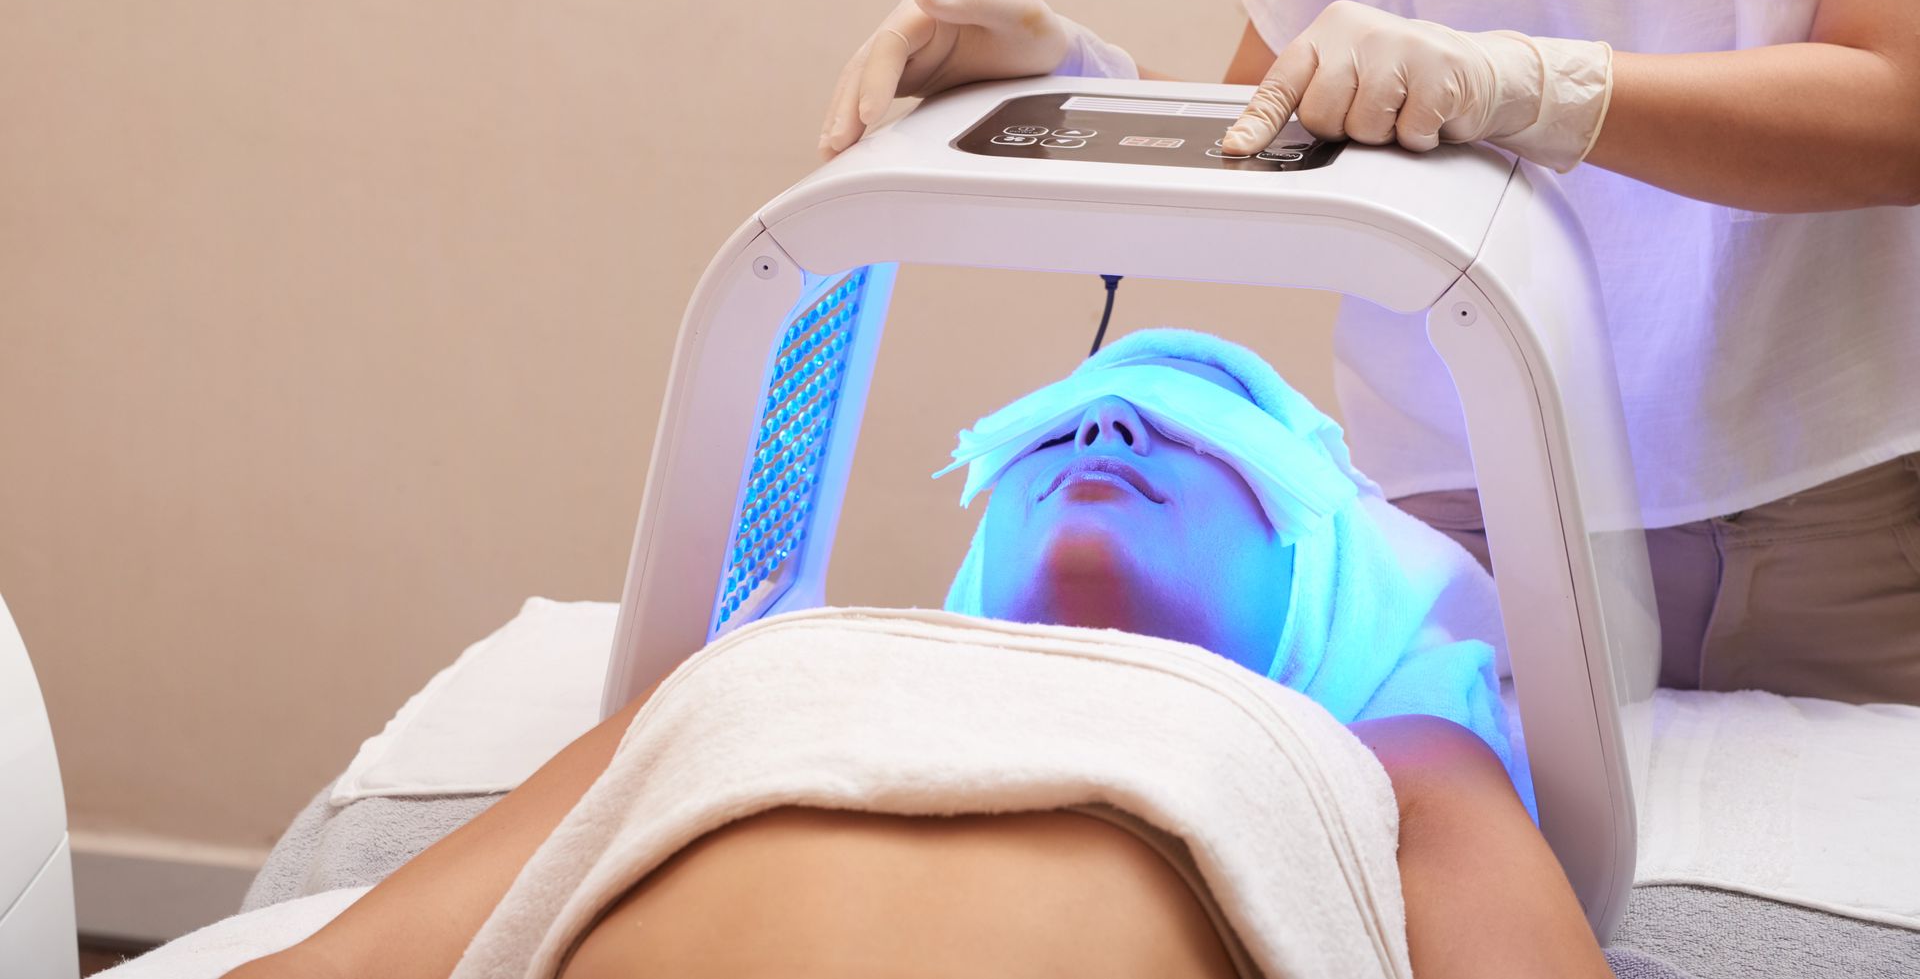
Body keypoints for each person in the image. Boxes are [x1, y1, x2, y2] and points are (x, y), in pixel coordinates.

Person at [820, 0, 1920, 706]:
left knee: (1822, 911)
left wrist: (1527, 85)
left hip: (1819, 523)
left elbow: (1901, 109)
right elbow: (1269, 132)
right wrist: (1061, 85)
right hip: (1470, 519)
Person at [227, 334, 1611, 978]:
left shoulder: (1378, 750)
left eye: (1195, 432)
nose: (1108, 432)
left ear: (1319, 563)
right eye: (1060, 428)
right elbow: (347, 969)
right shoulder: (777, 664)